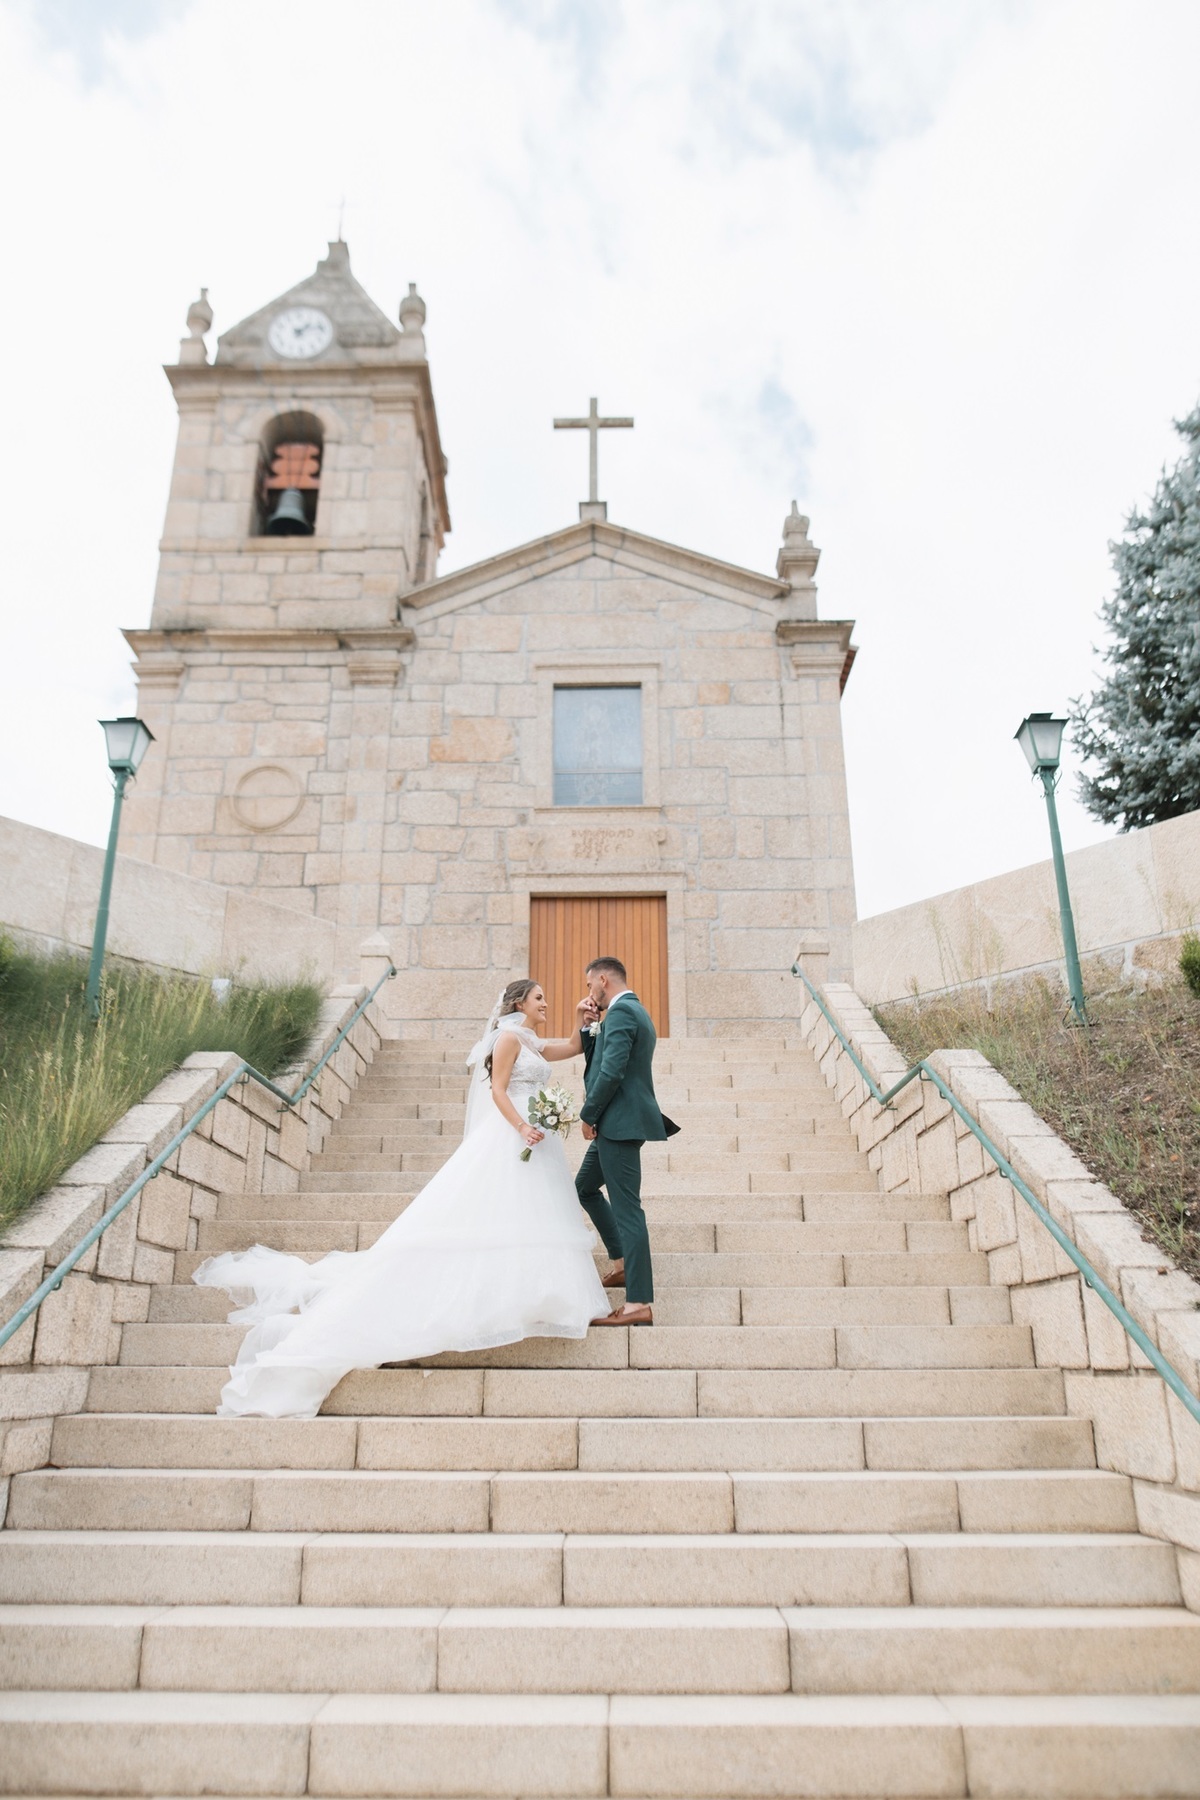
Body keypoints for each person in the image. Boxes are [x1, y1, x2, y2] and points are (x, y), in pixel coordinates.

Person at [192, 979, 608, 1419]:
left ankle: (538, 1294)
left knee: (532, 1215)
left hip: (537, 1140)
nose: (546, 1003)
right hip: (515, 1135)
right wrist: (521, 1128)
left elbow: (569, 1048)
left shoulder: (528, 1039)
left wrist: (585, 1023)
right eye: (540, 998)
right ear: (520, 1002)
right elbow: (499, 1091)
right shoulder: (507, 1039)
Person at [575, 956, 672, 1328]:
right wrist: (588, 1028)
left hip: (618, 1123)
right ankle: (620, 1264)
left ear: (602, 979)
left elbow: (612, 1071)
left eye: (589, 986)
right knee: (584, 1187)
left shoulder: (622, 1012)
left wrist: (589, 1114)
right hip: (619, 1122)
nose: (589, 993)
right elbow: (602, 1061)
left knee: (628, 1210)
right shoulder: (628, 1011)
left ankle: (638, 1303)